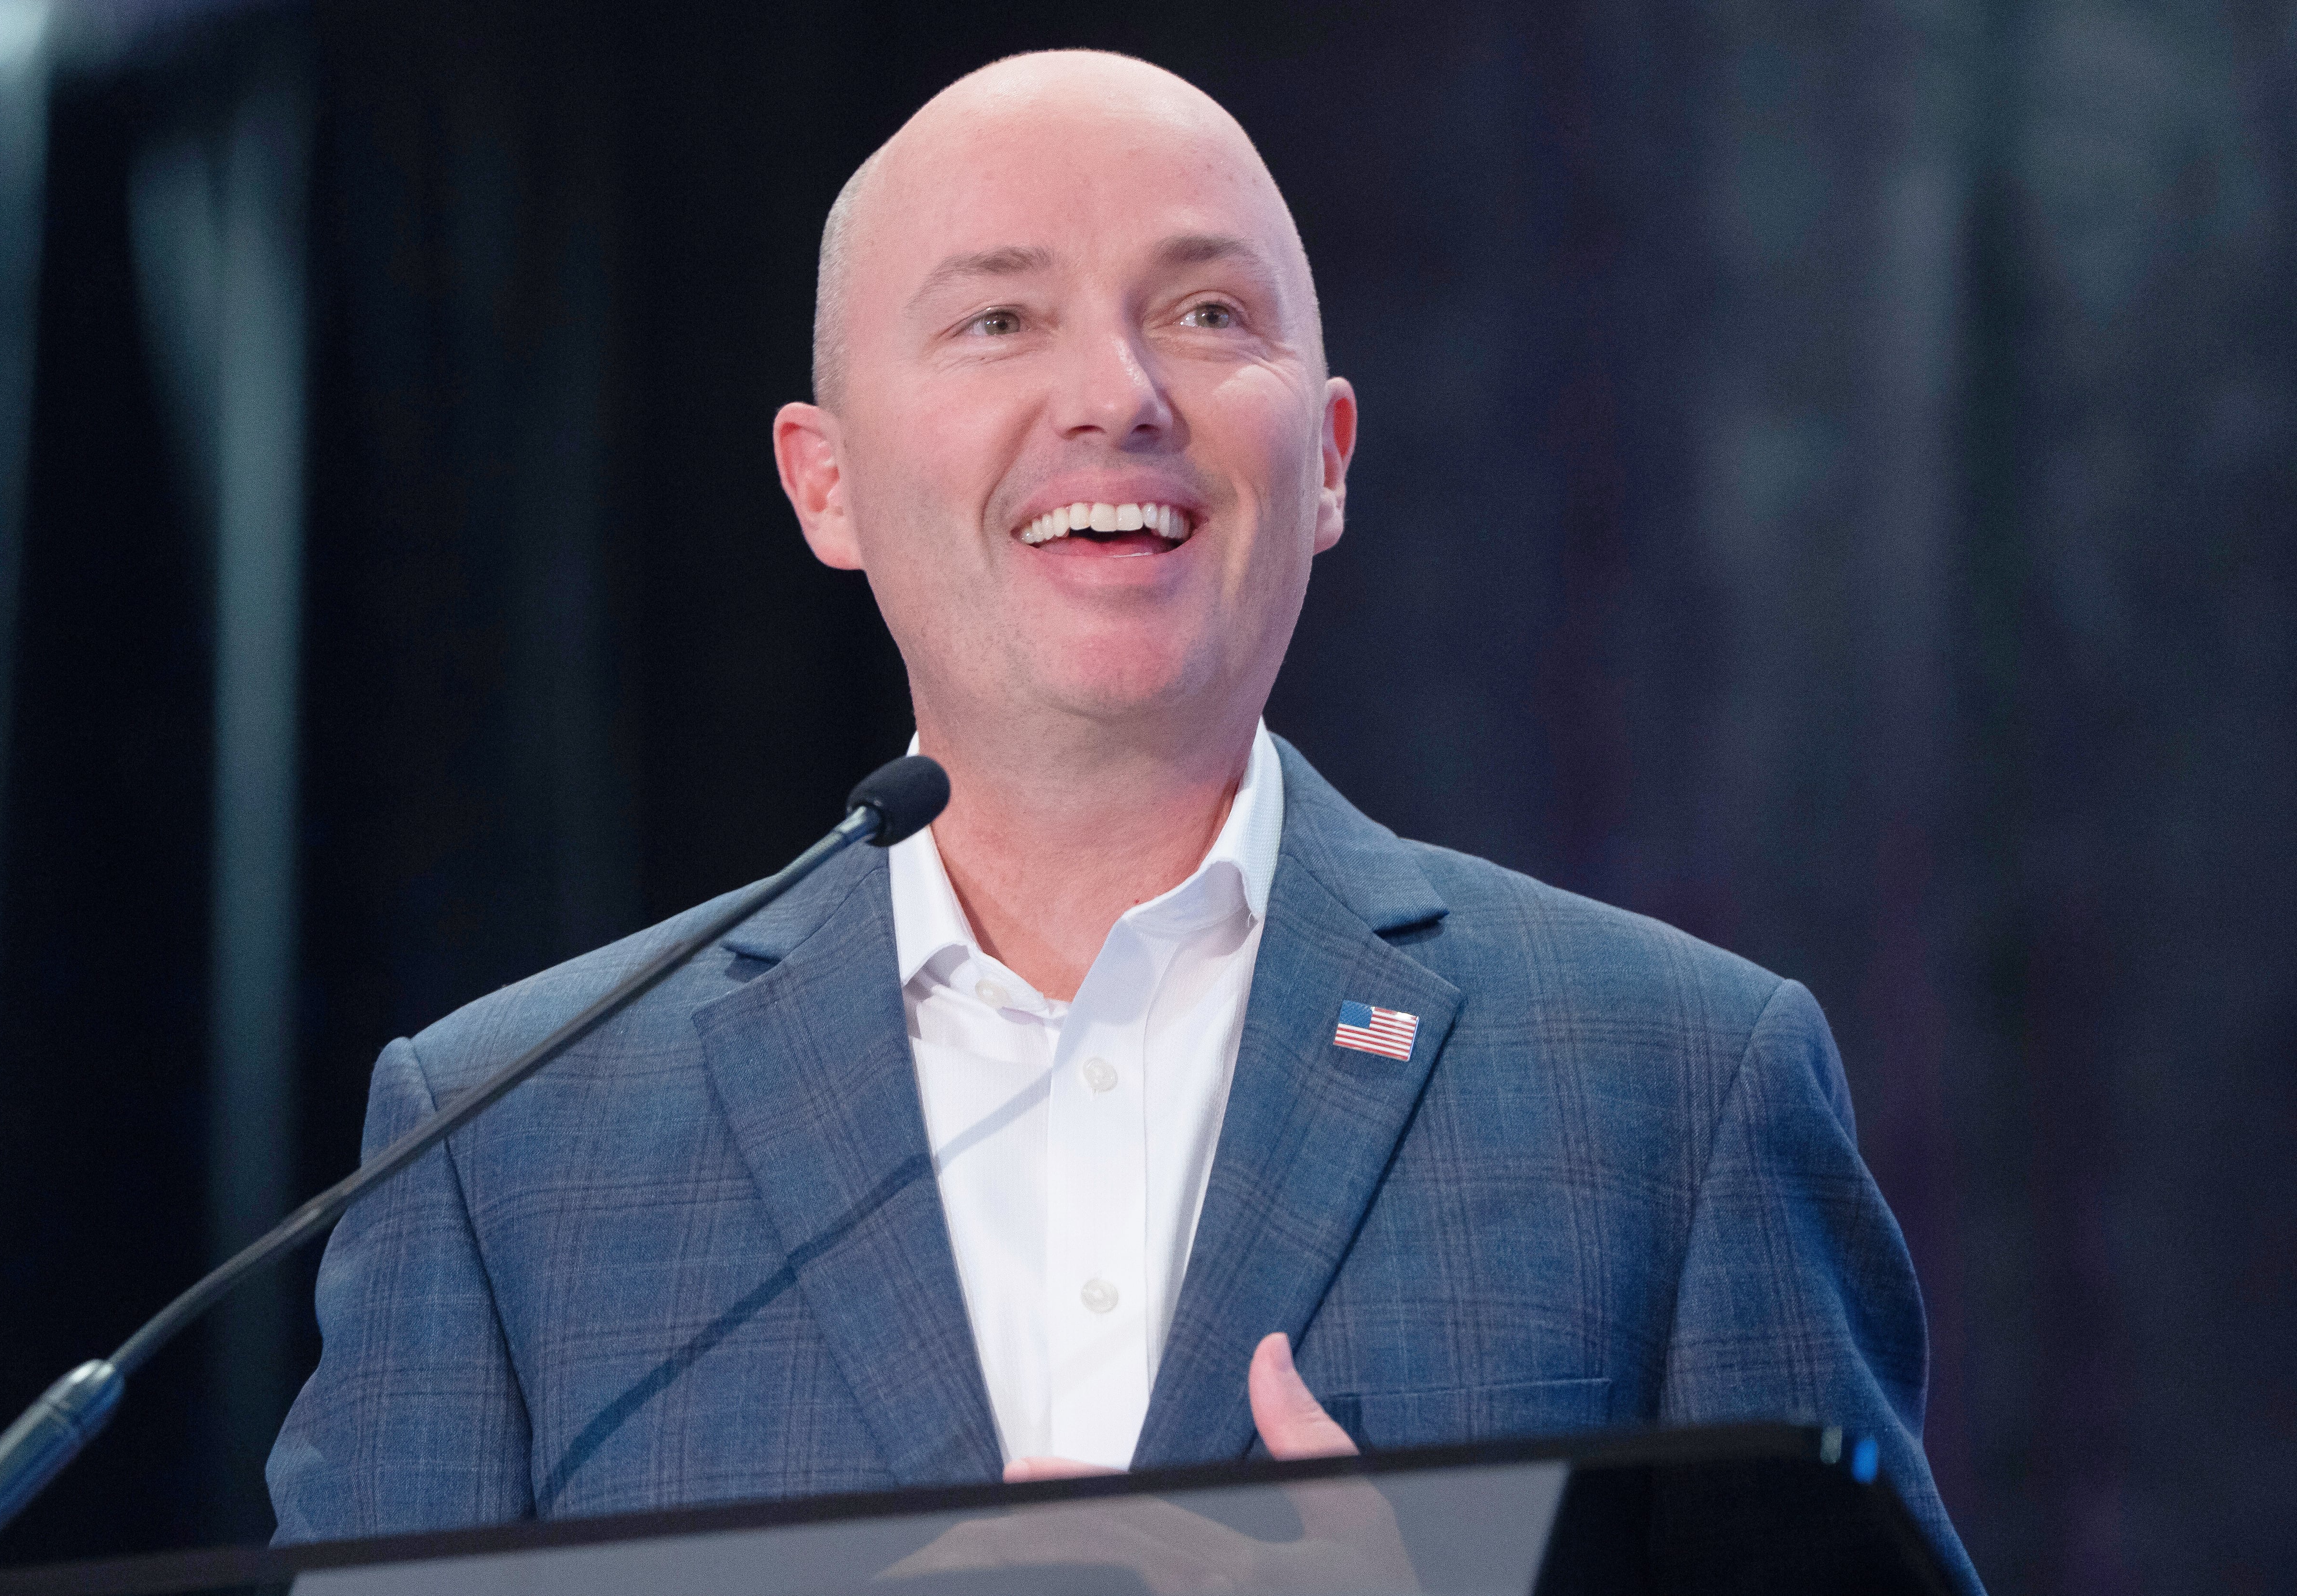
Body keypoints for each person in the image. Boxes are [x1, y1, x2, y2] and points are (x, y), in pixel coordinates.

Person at [267, 49, 1981, 1594]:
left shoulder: (1678, 1089)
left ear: (1326, 461)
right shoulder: (504, 1141)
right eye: (999, 320)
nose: (1118, 395)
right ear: (826, 481)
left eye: (1208, 316)